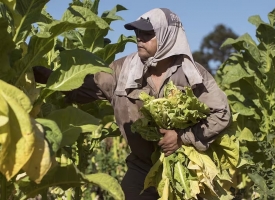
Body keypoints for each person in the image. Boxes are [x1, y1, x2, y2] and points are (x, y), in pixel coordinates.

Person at [34, 8, 231, 200]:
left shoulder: (192, 74)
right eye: (137, 32)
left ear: (166, 36)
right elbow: (83, 87)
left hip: (185, 166)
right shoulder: (122, 70)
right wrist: (47, 77)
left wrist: (182, 137)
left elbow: (221, 114)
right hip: (142, 166)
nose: (139, 38)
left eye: (147, 34)